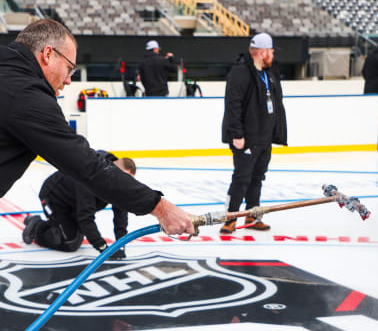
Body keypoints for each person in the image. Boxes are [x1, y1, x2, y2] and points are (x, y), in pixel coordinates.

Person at [0, 19, 193, 237]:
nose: (69, 81)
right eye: (69, 69)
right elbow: (86, 166)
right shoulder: (26, 95)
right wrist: (161, 208)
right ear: (47, 54)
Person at [220, 32, 287, 234]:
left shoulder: (269, 73)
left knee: (258, 178)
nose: (273, 55)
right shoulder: (241, 73)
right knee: (241, 179)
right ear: (262, 52)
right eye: (271, 51)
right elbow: (233, 105)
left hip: (264, 137)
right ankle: (230, 217)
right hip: (246, 138)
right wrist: (237, 135)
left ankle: (253, 215)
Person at [22, 151, 137, 258]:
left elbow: (120, 215)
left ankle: (59, 224)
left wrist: (120, 245)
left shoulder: (116, 181)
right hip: (53, 198)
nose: (125, 183)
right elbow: (85, 217)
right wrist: (103, 249)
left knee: (77, 236)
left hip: (74, 201)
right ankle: (36, 226)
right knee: (70, 242)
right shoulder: (90, 175)